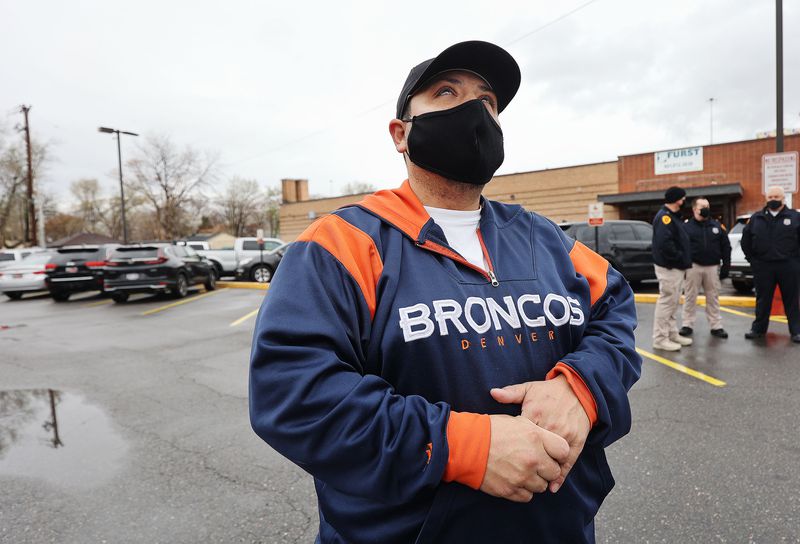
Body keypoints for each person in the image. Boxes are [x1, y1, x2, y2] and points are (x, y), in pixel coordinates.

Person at [249, 40, 641, 543]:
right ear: (401, 133)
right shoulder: (341, 244)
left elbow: (614, 309)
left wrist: (580, 388)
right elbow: (292, 392)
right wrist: (465, 448)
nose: (474, 110)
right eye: (447, 92)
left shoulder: (543, 238)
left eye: (487, 101)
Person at [741, 185, 800, 343]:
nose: (773, 200)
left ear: (783, 199)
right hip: (763, 266)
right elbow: (746, 241)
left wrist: (796, 262)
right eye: (770, 197)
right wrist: (753, 260)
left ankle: (796, 331)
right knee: (763, 300)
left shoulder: (795, 217)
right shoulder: (756, 218)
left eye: (776, 197)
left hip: (788, 266)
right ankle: (758, 329)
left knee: (792, 300)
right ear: (766, 199)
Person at [679, 197, 731, 339]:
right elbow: (681, 248)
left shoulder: (717, 226)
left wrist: (726, 265)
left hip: (712, 267)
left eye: (707, 206)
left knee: (713, 297)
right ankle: (687, 324)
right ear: (694, 209)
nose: (705, 209)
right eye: (702, 207)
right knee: (690, 296)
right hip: (693, 267)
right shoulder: (686, 227)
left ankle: (716, 326)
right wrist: (684, 265)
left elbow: (726, 246)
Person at [651, 186, 693, 351]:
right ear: (677, 199)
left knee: (673, 302)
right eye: (682, 198)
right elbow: (665, 244)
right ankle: (660, 338)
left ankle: (671, 333)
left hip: (676, 267)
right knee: (667, 301)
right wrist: (679, 257)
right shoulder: (665, 218)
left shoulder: (673, 217)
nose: (684, 201)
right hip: (670, 267)